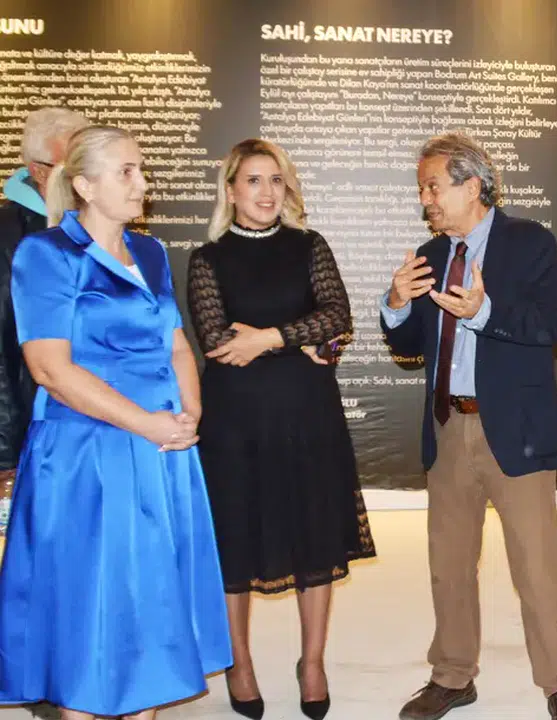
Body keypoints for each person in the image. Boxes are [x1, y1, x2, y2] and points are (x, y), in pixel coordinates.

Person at [0, 125, 232, 719]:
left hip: (160, 452)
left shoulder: (149, 252)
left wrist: (188, 415)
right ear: (83, 185)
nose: (142, 183)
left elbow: (175, 344)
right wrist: (148, 424)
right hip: (86, 457)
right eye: (127, 171)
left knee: (151, 607)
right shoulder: (46, 255)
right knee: (88, 612)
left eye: (141, 169)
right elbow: (50, 369)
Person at [380, 132, 557, 720]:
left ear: (472, 186)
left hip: (516, 429)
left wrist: (484, 311)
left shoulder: (530, 243)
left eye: (433, 187)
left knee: (537, 564)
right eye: (422, 188)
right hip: (449, 429)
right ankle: (452, 676)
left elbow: (552, 326)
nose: (425, 198)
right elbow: (409, 345)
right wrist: (396, 303)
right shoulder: (430, 255)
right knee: (449, 564)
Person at [186, 138, 375, 720]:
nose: (267, 192)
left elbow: (338, 316)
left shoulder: (309, 245)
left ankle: (312, 662)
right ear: (231, 190)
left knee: (315, 533)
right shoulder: (207, 258)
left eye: (275, 180)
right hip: (234, 421)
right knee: (235, 537)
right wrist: (301, 338)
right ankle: (239, 663)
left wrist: (267, 338)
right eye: (253, 180)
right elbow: (217, 340)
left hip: (307, 414)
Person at [0, 107, 89, 497]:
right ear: (38, 171)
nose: (84, 176)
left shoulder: (96, 228)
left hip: (95, 418)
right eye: (72, 166)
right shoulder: (8, 234)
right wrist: (6, 454)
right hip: (36, 427)